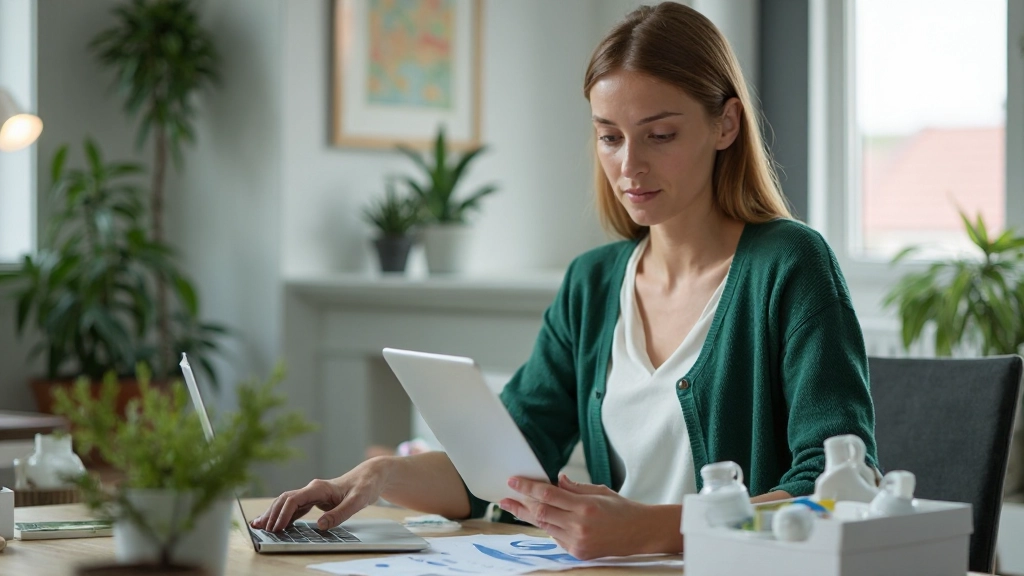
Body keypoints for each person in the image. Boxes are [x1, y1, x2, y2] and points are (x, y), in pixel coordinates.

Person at [252, 2, 878, 559]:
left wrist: (652, 530)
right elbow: (502, 467)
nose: (629, 165)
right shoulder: (593, 284)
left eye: (661, 135)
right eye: (610, 137)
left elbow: (834, 485)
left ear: (726, 126)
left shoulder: (790, 266)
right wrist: (378, 476)